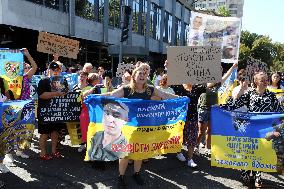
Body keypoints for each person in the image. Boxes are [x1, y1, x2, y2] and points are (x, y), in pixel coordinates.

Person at [97, 64, 179, 189]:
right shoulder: (126, 89)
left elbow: (165, 96)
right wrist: (94, 96)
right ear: (134, 76)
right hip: (127, 127)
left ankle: (136, 173)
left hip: (143, 126)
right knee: (125, 153)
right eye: (139, 74)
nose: (142, 76)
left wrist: (181, 98)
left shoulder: (150, 89)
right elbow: (111, 95)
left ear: (147, 77)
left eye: (144, 74)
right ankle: (121, 176)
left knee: (140, 151)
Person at [221, 71, 284, 188]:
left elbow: (279, 111)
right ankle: (245, 172)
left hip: (265, 129)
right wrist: (220, 108)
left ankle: (257, 176)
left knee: (260, 152)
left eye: (266, 80)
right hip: (250, 128)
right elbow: (234, 104)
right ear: (256, 82)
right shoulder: (250, 94)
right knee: (249, 150)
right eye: (262, 80)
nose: (266, 82)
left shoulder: (271, 96)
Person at [196, 62, 238, 155]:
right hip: (204, 108)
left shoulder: (218, 81)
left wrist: (233, 66)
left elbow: (227, 76)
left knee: (210, 130)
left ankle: (208, 148)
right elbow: (208, 85)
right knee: (201, 131)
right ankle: (196, 146)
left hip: (213, 109)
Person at [37, 62, 67, 160]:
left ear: (60, 70)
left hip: (58, 111)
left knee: (55, 132)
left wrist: (64, 92)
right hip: (45, 111)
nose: (55, 71)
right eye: (53, 69)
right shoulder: (43, 81)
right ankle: (43, 153)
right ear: (49, 70)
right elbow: (41, 95)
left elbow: (66, 93)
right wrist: (56, 94)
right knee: (44, 133)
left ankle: (54, 151)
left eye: (58, 69)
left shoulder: (63, 80)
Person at [175, 83, 206, 168]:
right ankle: (178, 152)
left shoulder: (197, 88)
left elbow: (215, 81)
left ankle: (190, 159)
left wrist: (231, 69)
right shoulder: (178, 86)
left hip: (193, 118)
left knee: (192, 139)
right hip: (180, 118)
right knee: (180, 137)